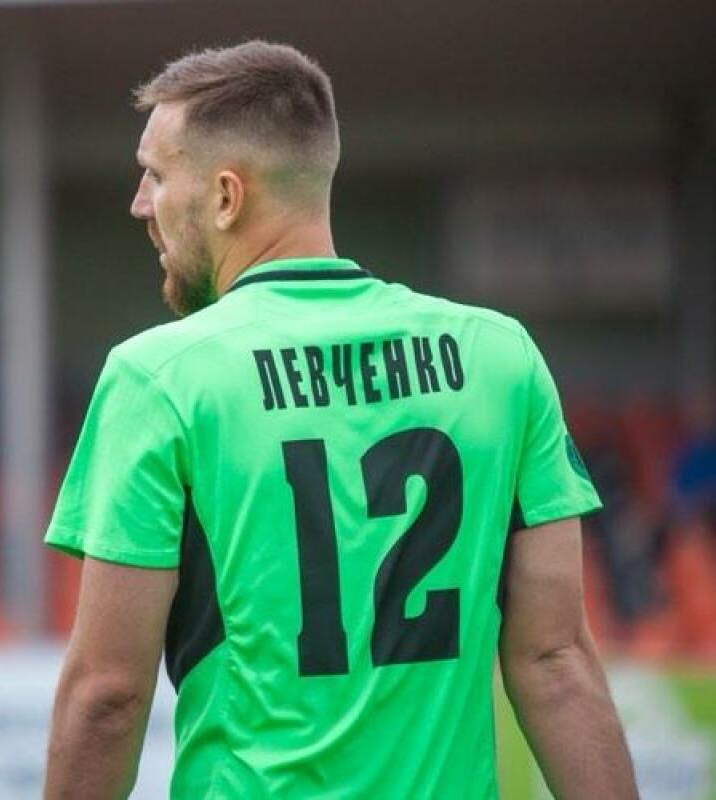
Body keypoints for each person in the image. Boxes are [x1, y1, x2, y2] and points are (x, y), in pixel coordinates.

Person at [44, 41, 637, 799]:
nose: (140, 203)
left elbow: (108, 697)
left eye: (156, 175)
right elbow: (556, 662)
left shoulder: (159, 379)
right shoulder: (499, 358)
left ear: (226, 198)